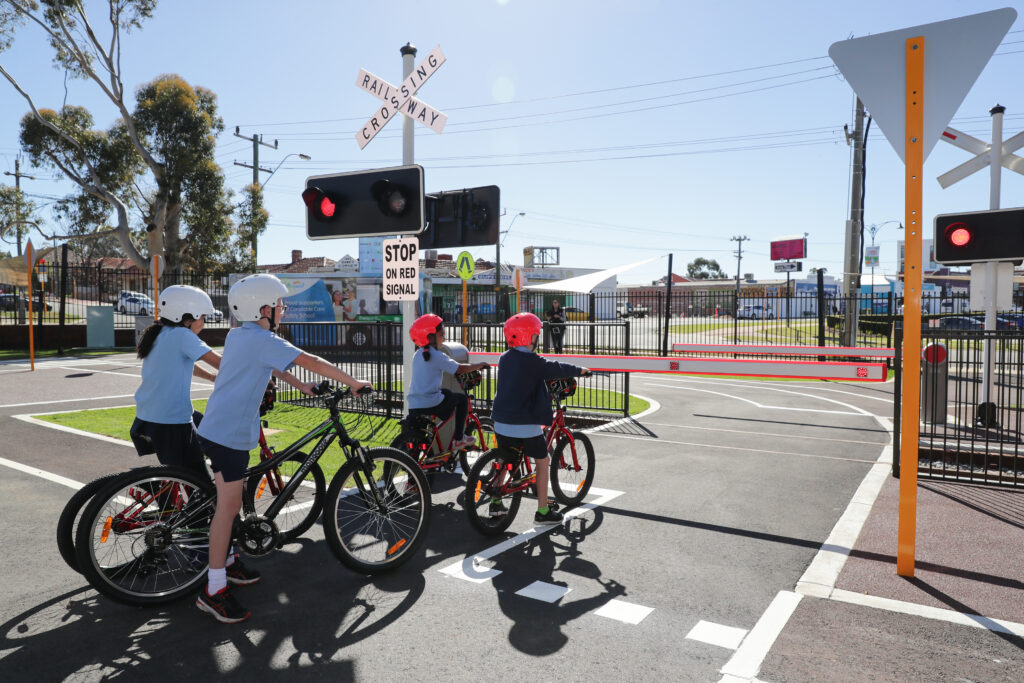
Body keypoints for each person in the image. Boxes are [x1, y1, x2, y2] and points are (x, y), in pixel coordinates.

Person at [195, 274, 372, 624]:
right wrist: (354, 383)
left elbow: (276, 365)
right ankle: (213, 591)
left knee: (233, 499)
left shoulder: (241, 334)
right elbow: (310, 359)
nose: (283, 309)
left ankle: (228, 563)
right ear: (263, 309)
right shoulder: (262, 338)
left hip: (223, 427)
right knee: (227, 510)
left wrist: (301, 386)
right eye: (279, 305)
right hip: (230, 433)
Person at [491, 312, 591, 525]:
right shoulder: (533, 361)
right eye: (536, 334)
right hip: (525, 425)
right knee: (543, 461)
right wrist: (580, 370)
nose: (537, 338)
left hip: (500, 422)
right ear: (529, 336)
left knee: (506, 458)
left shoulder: (504, 358)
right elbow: (556, 368)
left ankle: (496, 501)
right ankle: (543, 511)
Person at [130, 285, 221, 477]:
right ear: (187, 318)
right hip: (171, 421)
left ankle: (168, 488)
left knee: (207, 429)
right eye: (202, 317)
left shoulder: (160, 333)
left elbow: (184, 363)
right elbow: (221, 363)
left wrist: (212, 378)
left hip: (148, 416)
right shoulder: (183, 335)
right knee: (199, 481)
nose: (204, 323)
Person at [406, 313, 487, 449]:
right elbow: (459, 368)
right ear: (430, 337)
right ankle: (459, 439)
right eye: (441, 334)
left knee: (446, 393)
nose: (444, 338)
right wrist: (479, 365)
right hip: (431, 402)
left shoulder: (418, 355)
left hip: (414, 403)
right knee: (461, 400)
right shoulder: (436, 355)